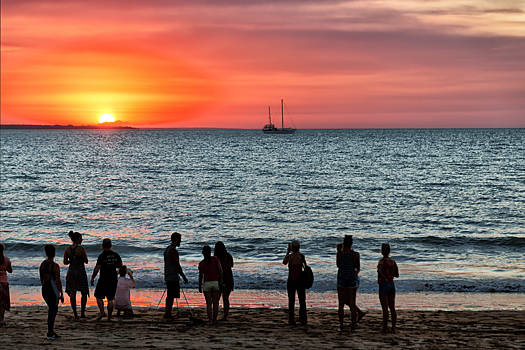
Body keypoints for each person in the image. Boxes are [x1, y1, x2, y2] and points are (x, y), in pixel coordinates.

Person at [91, 238, 122, 321]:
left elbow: (97, 268)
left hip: (103, 278)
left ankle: (102, 311)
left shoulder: (102, 256)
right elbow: (120, 265)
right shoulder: (116, 255)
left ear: (103, 246)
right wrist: (112, 265)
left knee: (98, 295)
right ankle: (109, 317)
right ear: (111, 245)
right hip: (113, 278)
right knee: (110, 299)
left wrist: (93, 277)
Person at [337, 242, 367, 324]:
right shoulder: (350, 255)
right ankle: (358, 315)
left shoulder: (343, 255)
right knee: (348, 300)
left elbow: (339, 265)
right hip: (352, 278)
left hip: (350, 278)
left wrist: (353, 275)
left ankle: (358, 314)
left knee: (347, 301)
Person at [39, 244, 64, 340]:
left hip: (45, 288)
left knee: (51, 309)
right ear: (54, 253)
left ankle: (50, 331)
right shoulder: (55, 266)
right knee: (53, 310)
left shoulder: (42, 264)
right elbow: (58, 281)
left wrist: (44, 287)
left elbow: (41, 279)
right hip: (53, 288)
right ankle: (50, 332)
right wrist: (61, 293)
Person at [63, 231, 89, 319]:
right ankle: (82, 313)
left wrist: (71, 260)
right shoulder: (81, 249)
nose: (82, 240)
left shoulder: (67, 249)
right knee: (84, 292)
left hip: (71, 271)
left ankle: (75, 314)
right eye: (80, 238)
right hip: (80, 271)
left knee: (72, 292)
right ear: (77, 239)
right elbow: (86, 260)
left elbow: (65, 262)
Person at [336, 235, 360, 332]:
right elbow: (357, 268)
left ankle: (341, 325)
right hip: (351, 279)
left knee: (341, 304)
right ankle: (353, 325)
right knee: (352, 303)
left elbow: (338, 265)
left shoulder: (339, 254)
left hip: (342, 278)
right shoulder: (355, 254)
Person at [163, 232, 188, 320]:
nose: (180, 241)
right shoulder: (173, 251)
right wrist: (183, 277)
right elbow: (177, 266)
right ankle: (168, 314)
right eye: (179, 239)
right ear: (176, 239)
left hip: (168, 275)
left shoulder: (167, 249)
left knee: (170, 295)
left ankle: (167, 313)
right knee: (171, 295)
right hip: (172, 276)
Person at [283, 240, 307, 325]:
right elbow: (305, 267)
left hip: (292, 279)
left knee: (291, 300)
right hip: (300, 280)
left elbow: (284, 262)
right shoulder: (301, 256)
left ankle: (291, 320)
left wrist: (287, 252)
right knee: (302, 300)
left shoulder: (290, 257)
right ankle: (303, 319)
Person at [198, 245, 223, 325]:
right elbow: (220, 270)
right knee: (216, 303)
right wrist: (221, 279)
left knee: (209, 303)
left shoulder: (202, 263)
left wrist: (199, 286)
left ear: (203, 253)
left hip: (207, 283)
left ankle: (210, 320)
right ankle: (215, 320)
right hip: (216, 282)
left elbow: (201, 276)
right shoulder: (215, 259)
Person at [377, 243, 399, 334]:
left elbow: (379, 273)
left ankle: (384, 329)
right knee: (392, 308)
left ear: (382, 251)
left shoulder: (381, 262)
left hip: (384, 284)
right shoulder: (393, 262)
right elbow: (397, 275)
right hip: (391, 284)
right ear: (389, 251)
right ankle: (393, 328)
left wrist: (381, 277)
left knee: (385, 309)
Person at [214, 241, 234, 321]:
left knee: (217, 298)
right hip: (228, 277)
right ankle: (225, 316)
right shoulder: (228, 256)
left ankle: (215, 315)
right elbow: (231, 265)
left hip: (219, 278)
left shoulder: (215, 258)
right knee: (226, 298)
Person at [0, 243, 13, 326]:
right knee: (3, 302)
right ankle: (1, 320)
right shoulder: (6, 259)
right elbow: (10, 270)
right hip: (4, 282)